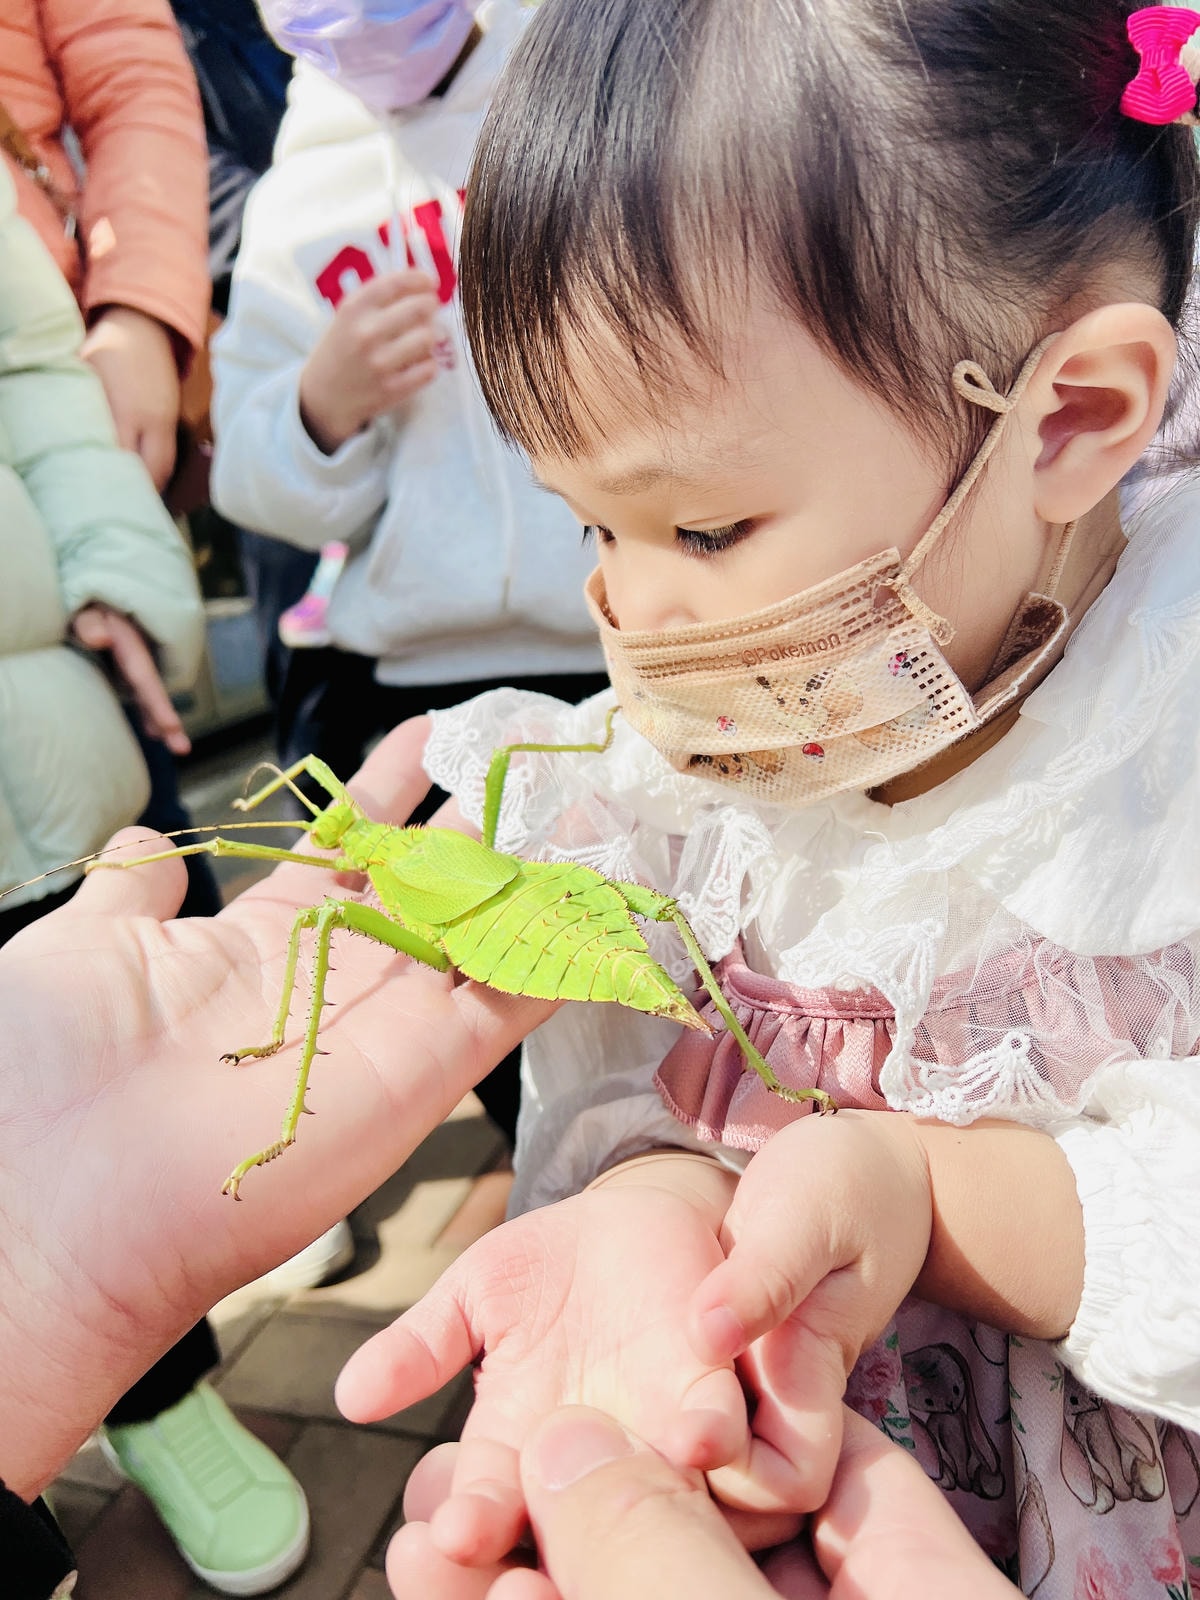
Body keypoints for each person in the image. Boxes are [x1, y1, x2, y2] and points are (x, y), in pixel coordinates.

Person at [326, 3, 1200, 1597]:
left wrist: (930, 1195)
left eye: (706, 531)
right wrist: (656, 1194)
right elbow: (624, 1085)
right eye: (588, 524)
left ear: (1070, 415)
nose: (626, 609)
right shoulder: (676, 782)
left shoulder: (1167, 741)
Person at [0, 718, 1015, 1599]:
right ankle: (739, 1058)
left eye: (334, 821)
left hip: (519, 921)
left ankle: (748, 1062)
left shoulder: (377, 875)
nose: (335, 828)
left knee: (337, 917)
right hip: (514, 911)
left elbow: (317, 798)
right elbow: (312, 792)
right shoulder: (382, 865)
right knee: (343, 913)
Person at [210, 0, 609, 1149]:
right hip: (421, 698)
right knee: (496, 1034)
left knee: (655, 965)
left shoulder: (598, 82)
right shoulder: (298, 200)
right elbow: (245, 469)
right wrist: (316, 408)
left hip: (619, 648)